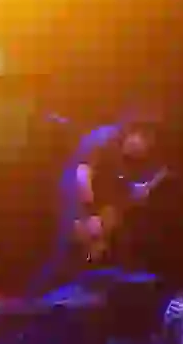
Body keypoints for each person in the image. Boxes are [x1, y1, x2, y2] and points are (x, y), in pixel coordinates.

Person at [29, 109, 163, 295]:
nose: (143, 152)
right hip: (74, 197)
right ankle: (38, 295)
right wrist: (87, 215)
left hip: (96, 204)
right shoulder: (104, 139)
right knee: (66, 251)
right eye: (145, 143)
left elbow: (120, 189)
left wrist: (134, 194)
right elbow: (82, 176)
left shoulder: (128, 157)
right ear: (135, 134)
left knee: (88, 254)